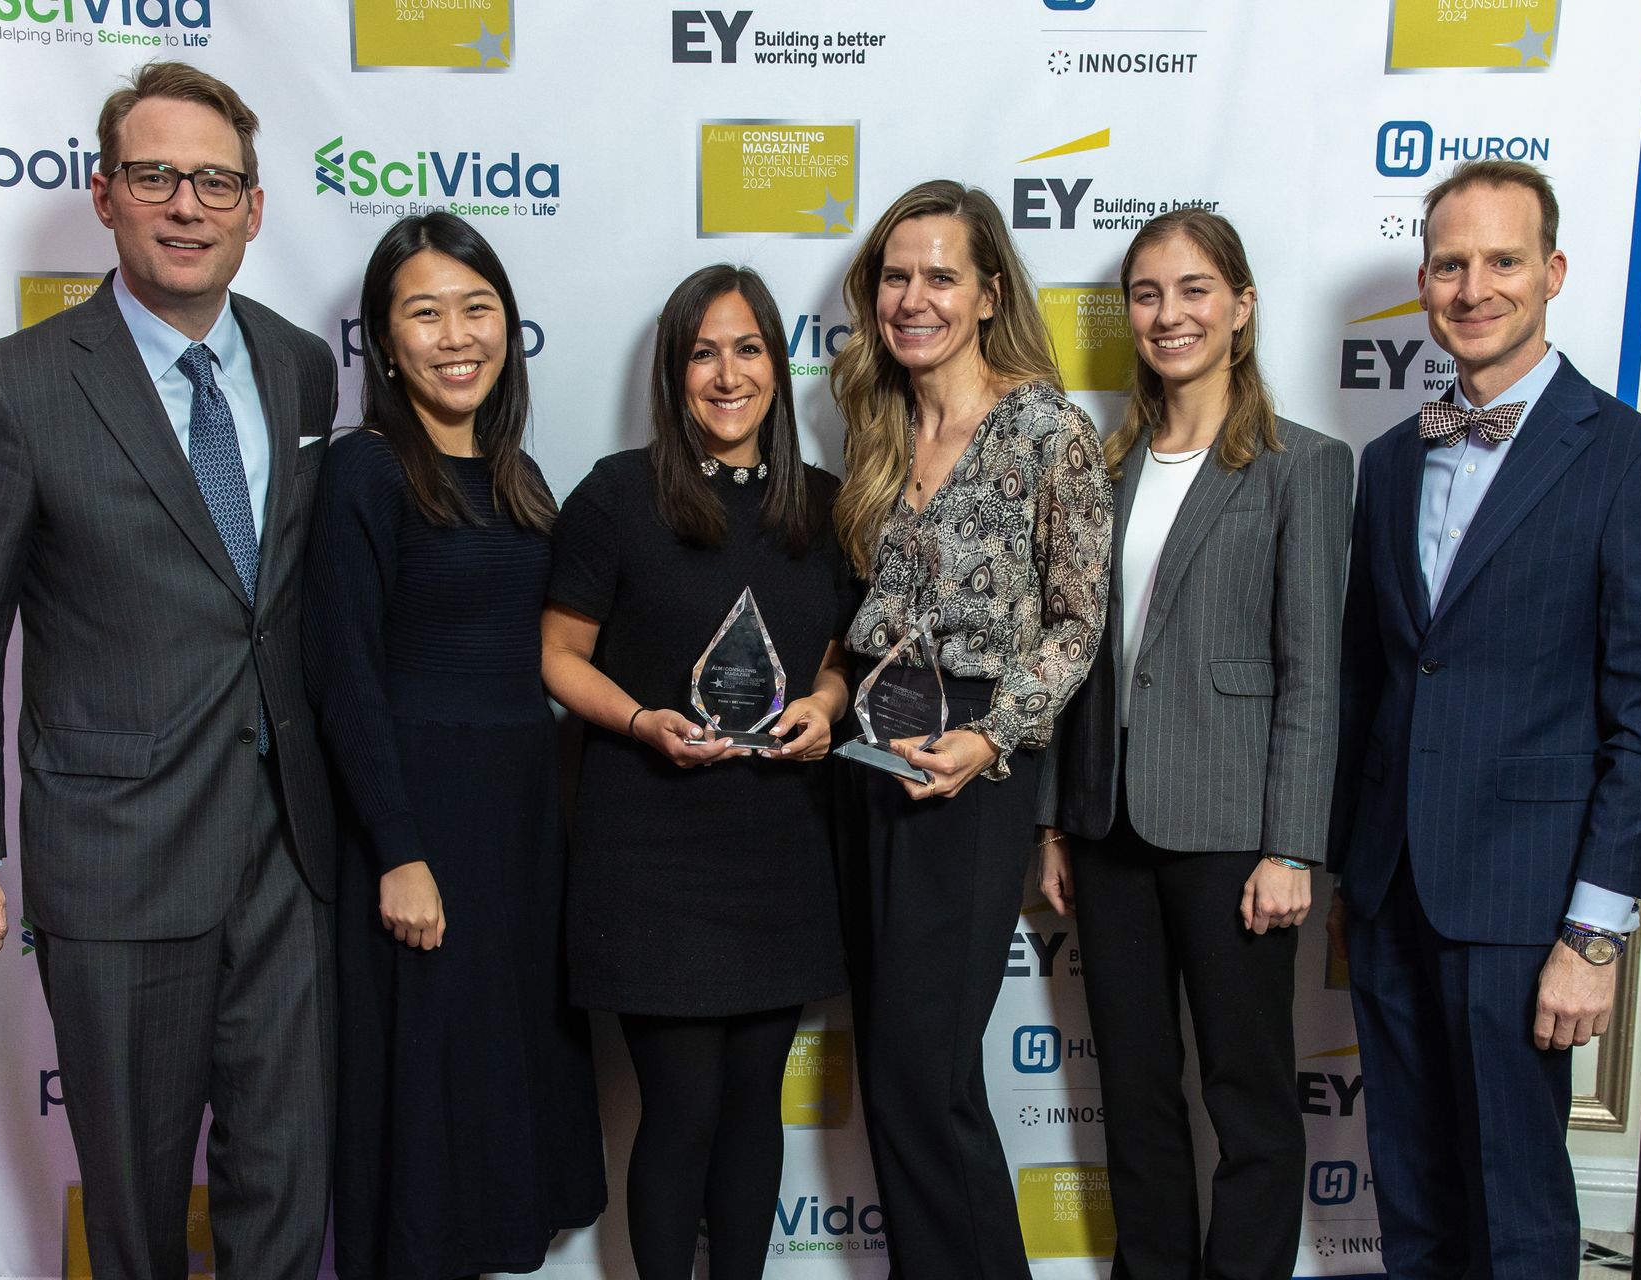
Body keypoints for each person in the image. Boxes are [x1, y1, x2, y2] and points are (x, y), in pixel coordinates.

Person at [0, 61, 337, 1275]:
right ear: (104, 196)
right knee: (138, 1213)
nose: (185, 204)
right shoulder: (20, 386)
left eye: (214, 180)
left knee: (287, 1185)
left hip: (290, 856)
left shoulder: (303, 364)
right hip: (119, 859)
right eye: (155, 175)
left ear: (254, 207)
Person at [1326, 160, 1641, 1280]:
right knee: (1413, 1192)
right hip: (1394, 890)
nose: (1473, 284)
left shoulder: (1636, 459)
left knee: (1520, 1210)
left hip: (1529, 903)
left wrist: (1593, 937)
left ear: (1550, 274)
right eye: (1451, 262)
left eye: (1502, 260)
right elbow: (1375, 680)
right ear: (1424, 280)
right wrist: (1355, 872)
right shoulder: (1392, 460)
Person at [1036, 209, 1353, 1280]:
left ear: (1243, 308)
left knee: (1250, 1096)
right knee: (1134, 1085)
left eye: (1194, 289)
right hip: (1111, 823)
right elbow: (1072, 653)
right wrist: (1054, 815)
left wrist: (1292, 845)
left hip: (1234, 832)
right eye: (1148, 293)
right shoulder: (1102, 464)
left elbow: (1313, 669)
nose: (1169, 314)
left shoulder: (1301, 466)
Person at [302, 212, 606, 1279]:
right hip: (421, 826)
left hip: (519, 827)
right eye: (423, 312)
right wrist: (398, 848)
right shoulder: (365, 474)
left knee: (497, 1085)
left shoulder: (520, 479)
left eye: (477, 307)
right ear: (384, 345)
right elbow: (343, 678)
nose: (455, 334)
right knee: (426, 1096)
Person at [539, 264, 854, 1280]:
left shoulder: (829, 505)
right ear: (675, 373)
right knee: (679, 1109)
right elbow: (556, 656)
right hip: (651, 853)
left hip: (783, 848)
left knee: (753, 1106)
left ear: (779, 360)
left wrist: (826, 705)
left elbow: (852, 653)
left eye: (749, 347)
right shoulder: (617, 496)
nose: (728, 374)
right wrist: (641, 720)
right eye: (703, 352)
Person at [830, 179, 1112, 1277]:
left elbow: (1080, 622)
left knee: (929, 1070)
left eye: (940, 275)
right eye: (896, 276)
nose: (914, 297)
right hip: (865, 758)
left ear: (989, 291)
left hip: (971, 763)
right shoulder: (876, 419)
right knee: (893, 1070)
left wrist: (993, 738)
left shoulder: (1050, 428)